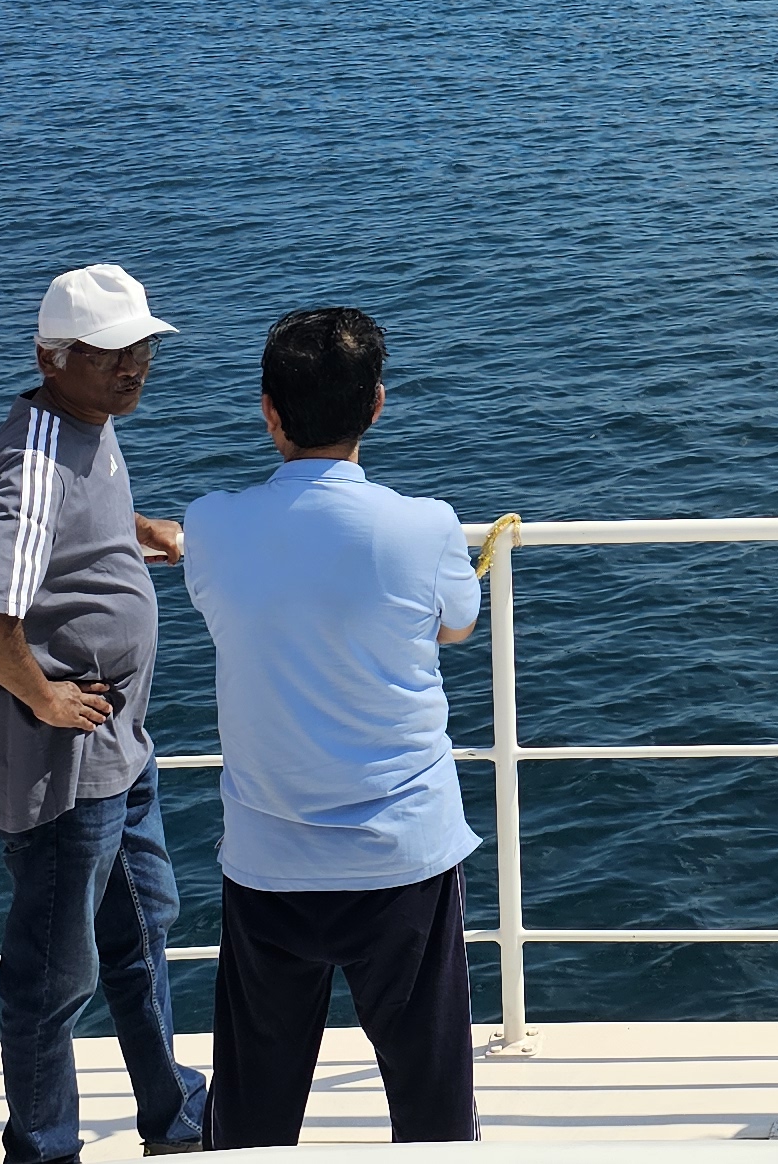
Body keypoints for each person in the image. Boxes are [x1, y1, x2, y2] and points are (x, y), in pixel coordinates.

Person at [185, 307, 485, 1149]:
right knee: (430, 1099)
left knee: (254, 1104)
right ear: (377, 404)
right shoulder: (425, 526)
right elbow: (457, 625)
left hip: (269, 857)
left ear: (268, 411)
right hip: (403, 855)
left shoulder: (209, 525)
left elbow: (221, 575)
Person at [0, 265, 208, 1162]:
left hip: (118, 753)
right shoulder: (34, 456)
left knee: (142, 936)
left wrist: (136, 530)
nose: (135, 364)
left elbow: (73, 519)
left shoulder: (84, 426)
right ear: (52, 357)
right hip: (65, 764)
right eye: (111, 353)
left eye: (142, 347)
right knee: (54, 982)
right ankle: (46, 1148)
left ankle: (174, 1114)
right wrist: (47, 696)